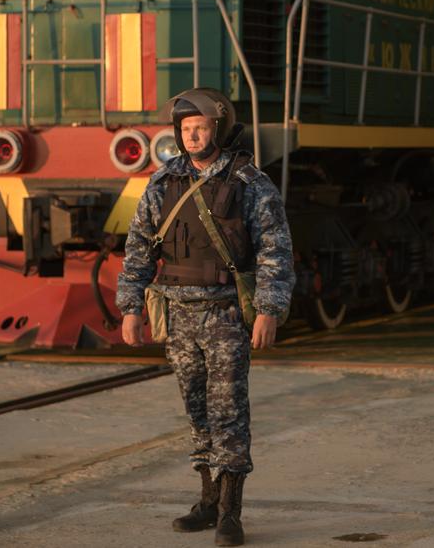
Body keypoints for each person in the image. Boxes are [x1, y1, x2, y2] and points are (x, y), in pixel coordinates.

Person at [115, 87, 295, 546]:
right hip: (176, 315)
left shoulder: (249, 181)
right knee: (197, 411)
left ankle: (231, 512)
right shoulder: (162, 181)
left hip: (226, 314)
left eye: (201, 128)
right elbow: (138, 246)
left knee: (229, 411)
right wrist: (131, 307)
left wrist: (269, 310)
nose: (193, 136)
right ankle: (208, 500)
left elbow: (276, 249)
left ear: (219, 128)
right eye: (186, 129)